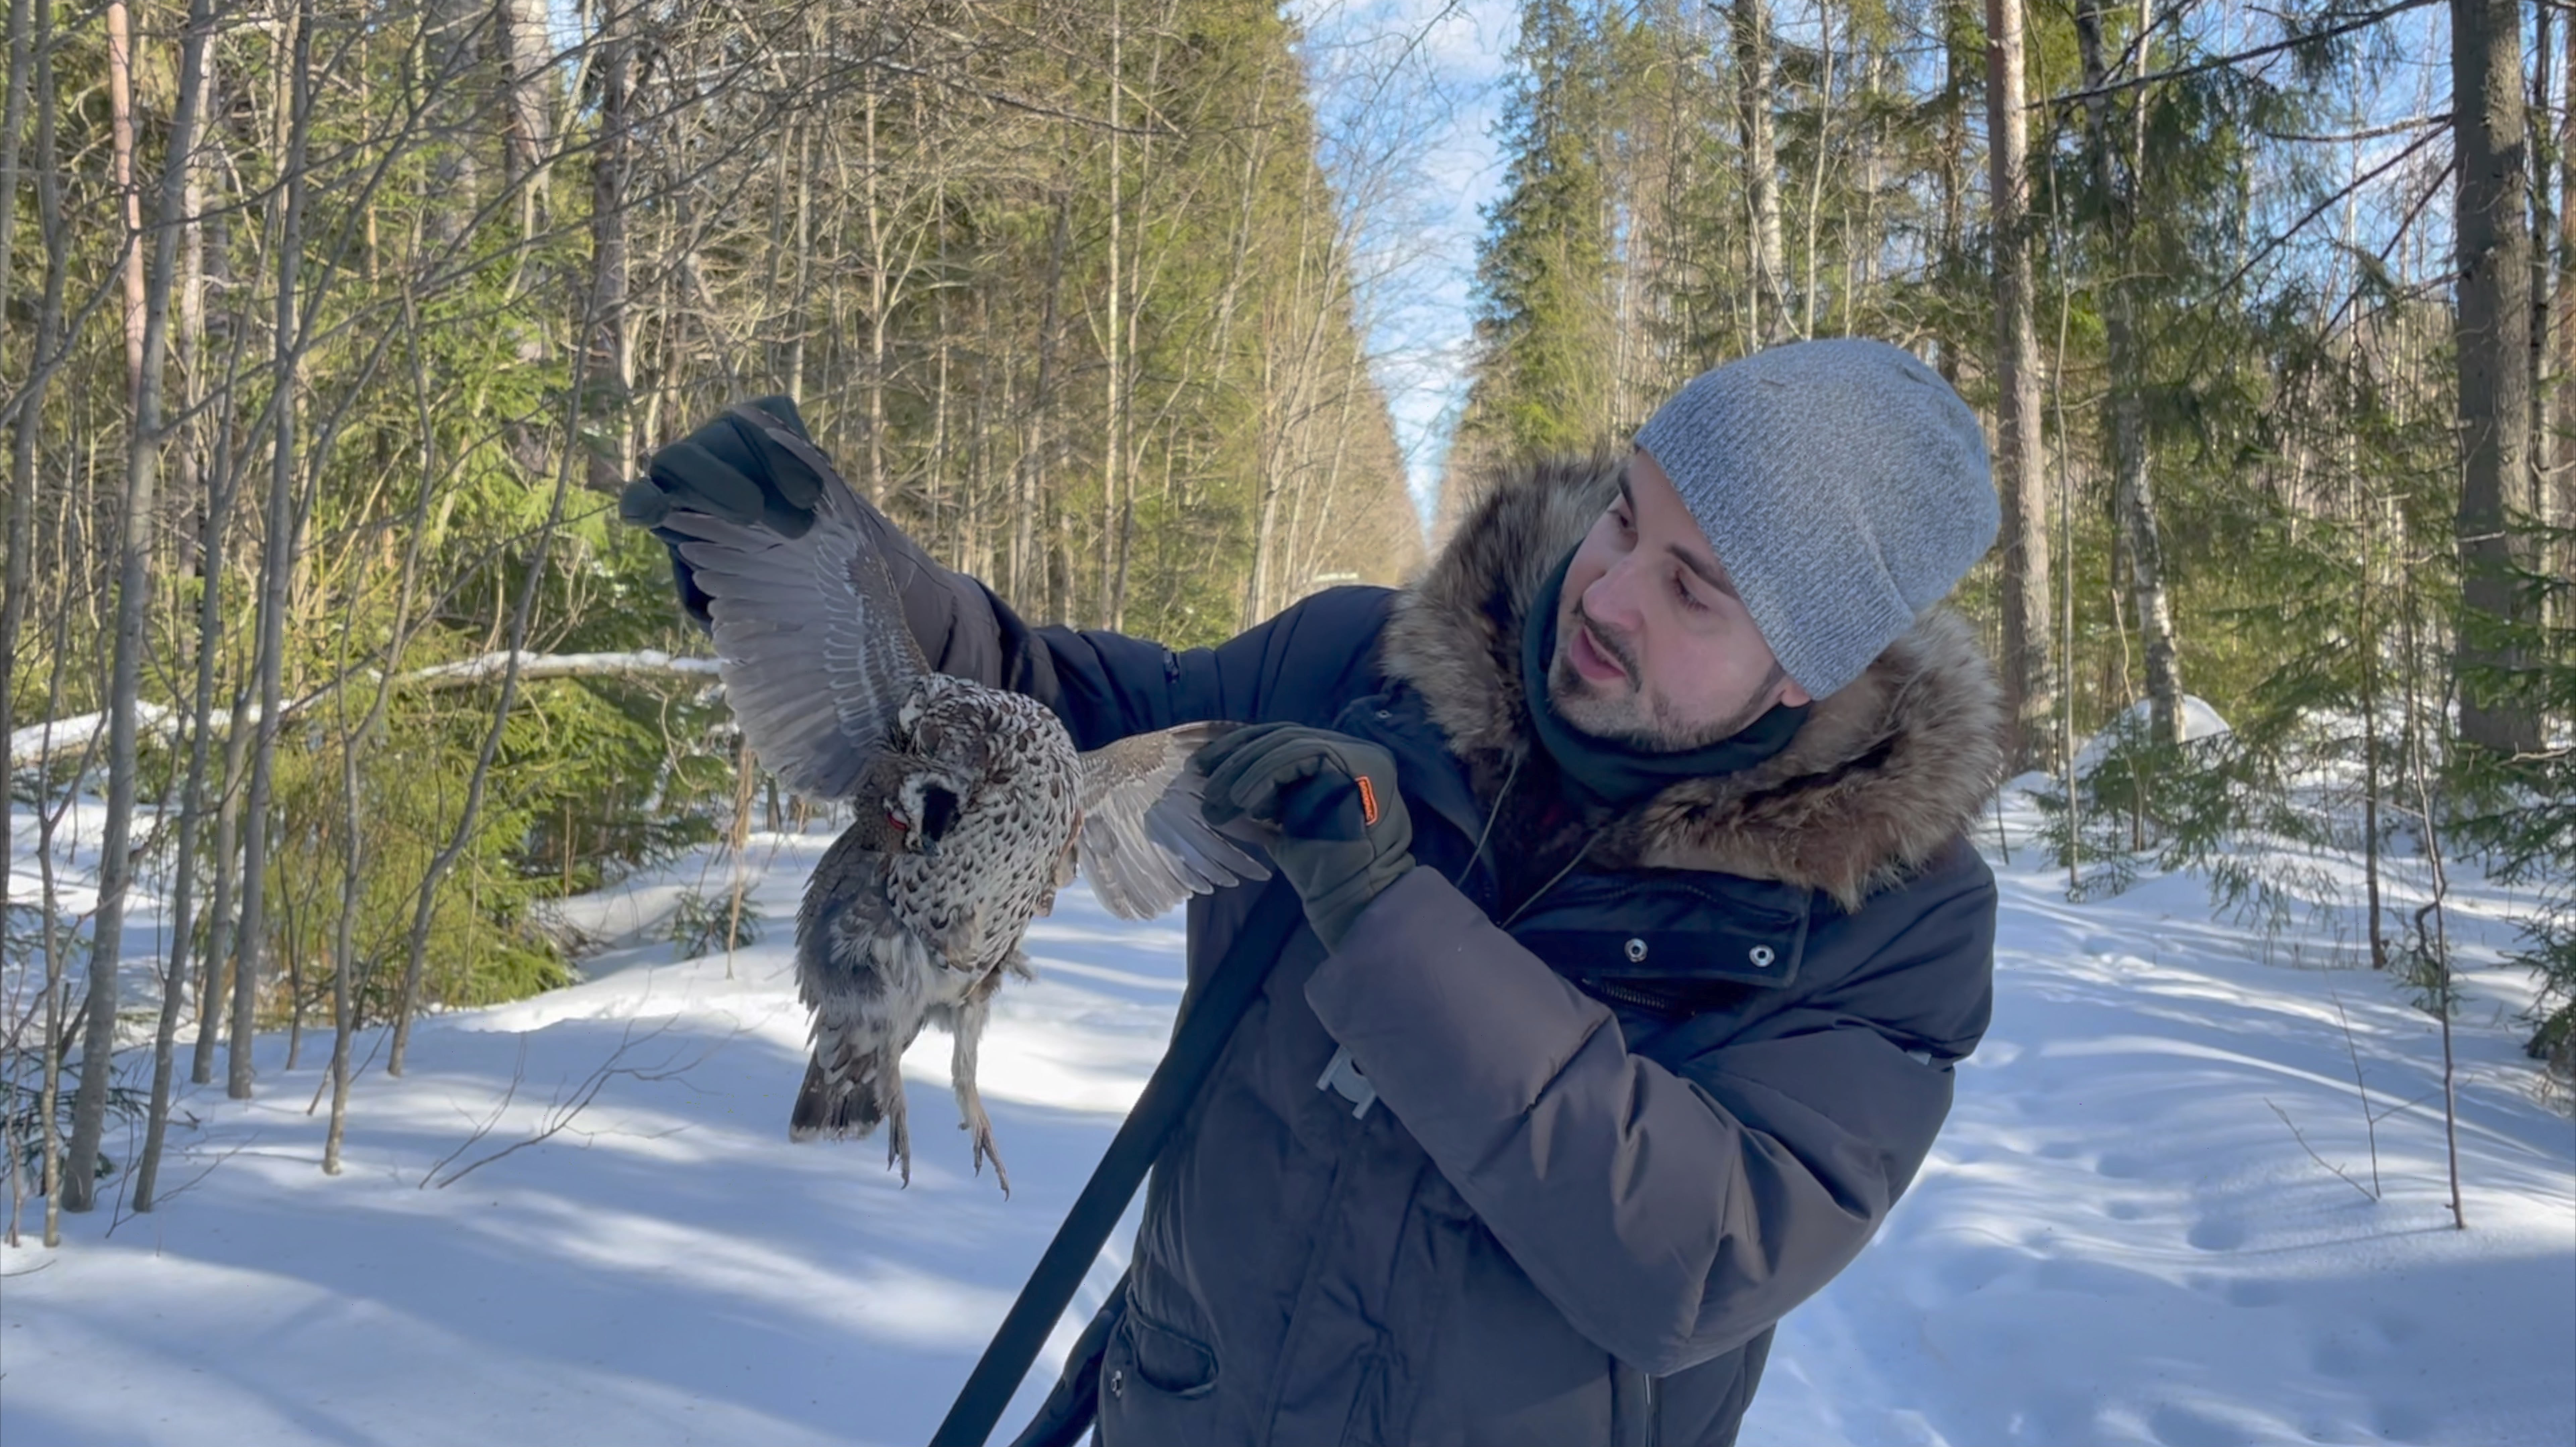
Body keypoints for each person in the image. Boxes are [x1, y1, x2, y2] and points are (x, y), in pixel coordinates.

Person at [621, 337, 2007, 1447]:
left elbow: (1698, 1254)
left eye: (1693, 589)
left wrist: (1387, 912)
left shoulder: (1886, 917)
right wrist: (825, 571)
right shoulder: (1362, 664)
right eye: (1627, 514)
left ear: (1812, 669)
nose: (1609, 591)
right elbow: (1050, 718)